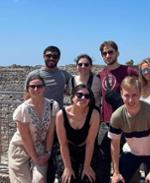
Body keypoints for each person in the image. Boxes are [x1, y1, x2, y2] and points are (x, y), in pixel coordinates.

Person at [25, 45, 72, 183]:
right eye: (48, 55)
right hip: (36, 121)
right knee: (33, 153)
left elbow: (76, 86)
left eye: (55, 56)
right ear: (43, 56)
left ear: (59, 58)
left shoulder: (64, 75)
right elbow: (26, 97)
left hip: (55, 121)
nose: (51, 58)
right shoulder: (34, 75)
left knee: (52, 155)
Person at [108, 76, 150, 183]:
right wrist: (116, 172)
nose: (130, 100)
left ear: (140, 93)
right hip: (131, 152)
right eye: (126, 95)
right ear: (121, 94)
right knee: (118, 180)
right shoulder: (117, 116)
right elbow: (114, 144)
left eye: (134, 95)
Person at [96, 40, 138, 183]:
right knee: (103, 159)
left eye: (110, 52)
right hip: (108, 124)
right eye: (104, 53)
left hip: (128, 124)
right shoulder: (101, 74)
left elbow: (141, 93)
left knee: (129, 163)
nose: (107, 55)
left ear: (117, 53)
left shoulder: (129, 71)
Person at [8, 74, 59, 183]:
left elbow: (51, 132)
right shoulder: (22, 110)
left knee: (39, 179)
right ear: (28, 89)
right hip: (20, 149)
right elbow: (25, 138)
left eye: (39, 86)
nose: (36, 89)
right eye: (32, 86)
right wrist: (36, 158)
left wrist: (48, 152)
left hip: (40, 148)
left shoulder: (52, 106)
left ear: (44, 88)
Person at [56, 84, 100, 183]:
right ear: (72, 97)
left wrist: (87, 166)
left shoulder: (94, 114)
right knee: (68, 179)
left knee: (88, 178)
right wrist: (67, 167)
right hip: (68, 150)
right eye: (79, 95)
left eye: (87, 96)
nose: (83, 98)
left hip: (86, 150)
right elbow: (63, 143)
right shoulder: (61, 115)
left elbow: (90, 143)